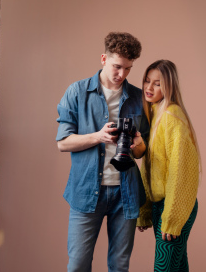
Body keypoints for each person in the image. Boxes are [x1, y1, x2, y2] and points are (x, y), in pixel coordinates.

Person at [56, 32, 149, 272]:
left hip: (126, 193)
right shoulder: (76, 92)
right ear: (103, 59)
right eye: (118, 67)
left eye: (128, 68)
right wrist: (98, 136)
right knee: (78, 265)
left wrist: (137, 145)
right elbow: (63, 142)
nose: (122, 74)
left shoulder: (139, 98)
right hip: (86, 192)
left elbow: (143, 152)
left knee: (119, 266)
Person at [137, 60, 200, 272]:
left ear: (169, 86)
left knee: (164, 269)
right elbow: (150, 168)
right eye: (147, 81)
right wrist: (145, 210)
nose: (149, 87)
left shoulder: (172, 116)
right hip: (160, 206)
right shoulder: (153, 114)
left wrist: (172, 217)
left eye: (157, 83)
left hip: (175, 206)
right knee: (178, 268)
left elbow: (180, 172)